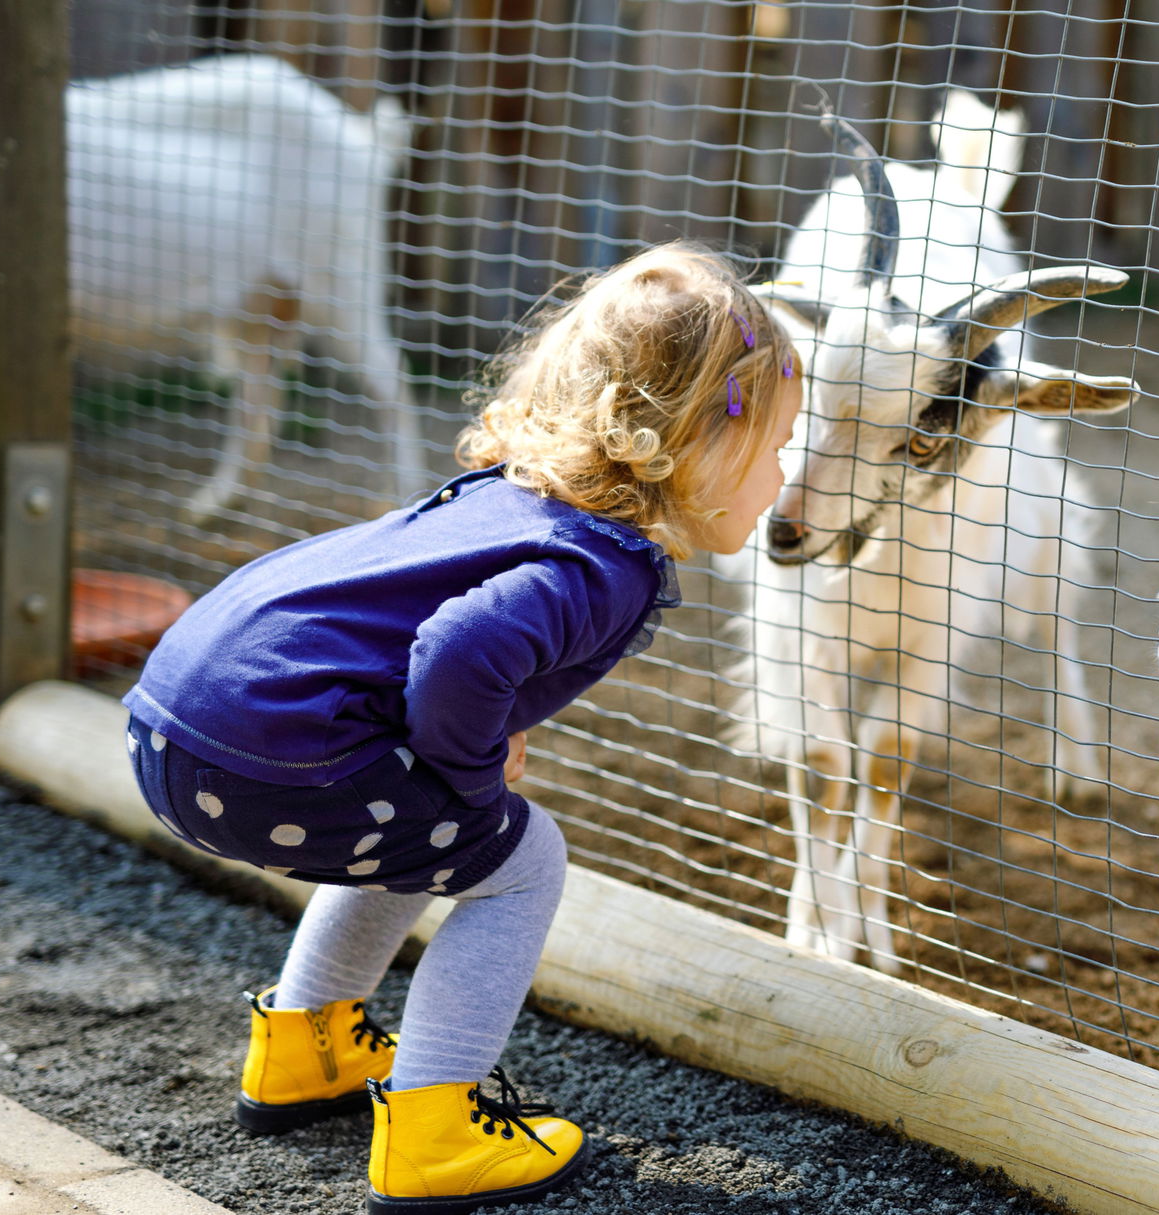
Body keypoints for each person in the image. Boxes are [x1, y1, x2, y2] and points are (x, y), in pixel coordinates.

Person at [121, 242, 802, 1215]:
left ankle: (304, 1052)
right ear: (699, 438)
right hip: (276, 758)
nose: (786, 471)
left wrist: (456, 764)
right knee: (521, 858)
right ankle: (435, 1129)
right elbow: (462, 652)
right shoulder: (601, 564)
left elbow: (420, 645)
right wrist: (473, 774)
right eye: (776, 443)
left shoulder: (508, 499)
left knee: (437, 831)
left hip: (174, 729)